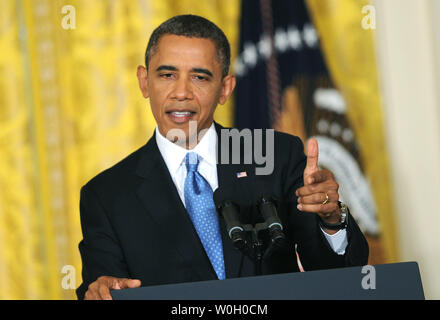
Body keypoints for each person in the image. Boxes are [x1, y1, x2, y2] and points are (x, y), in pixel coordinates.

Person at [76, 14, 368, 300]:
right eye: (167, 75)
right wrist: (100, 290)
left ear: (225, 89)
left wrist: (332, 219)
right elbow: (102, 285)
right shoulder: (106, 196)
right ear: (144, 81)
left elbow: (337, 274)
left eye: (199, 77)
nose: (181, 93)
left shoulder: (275, 156)